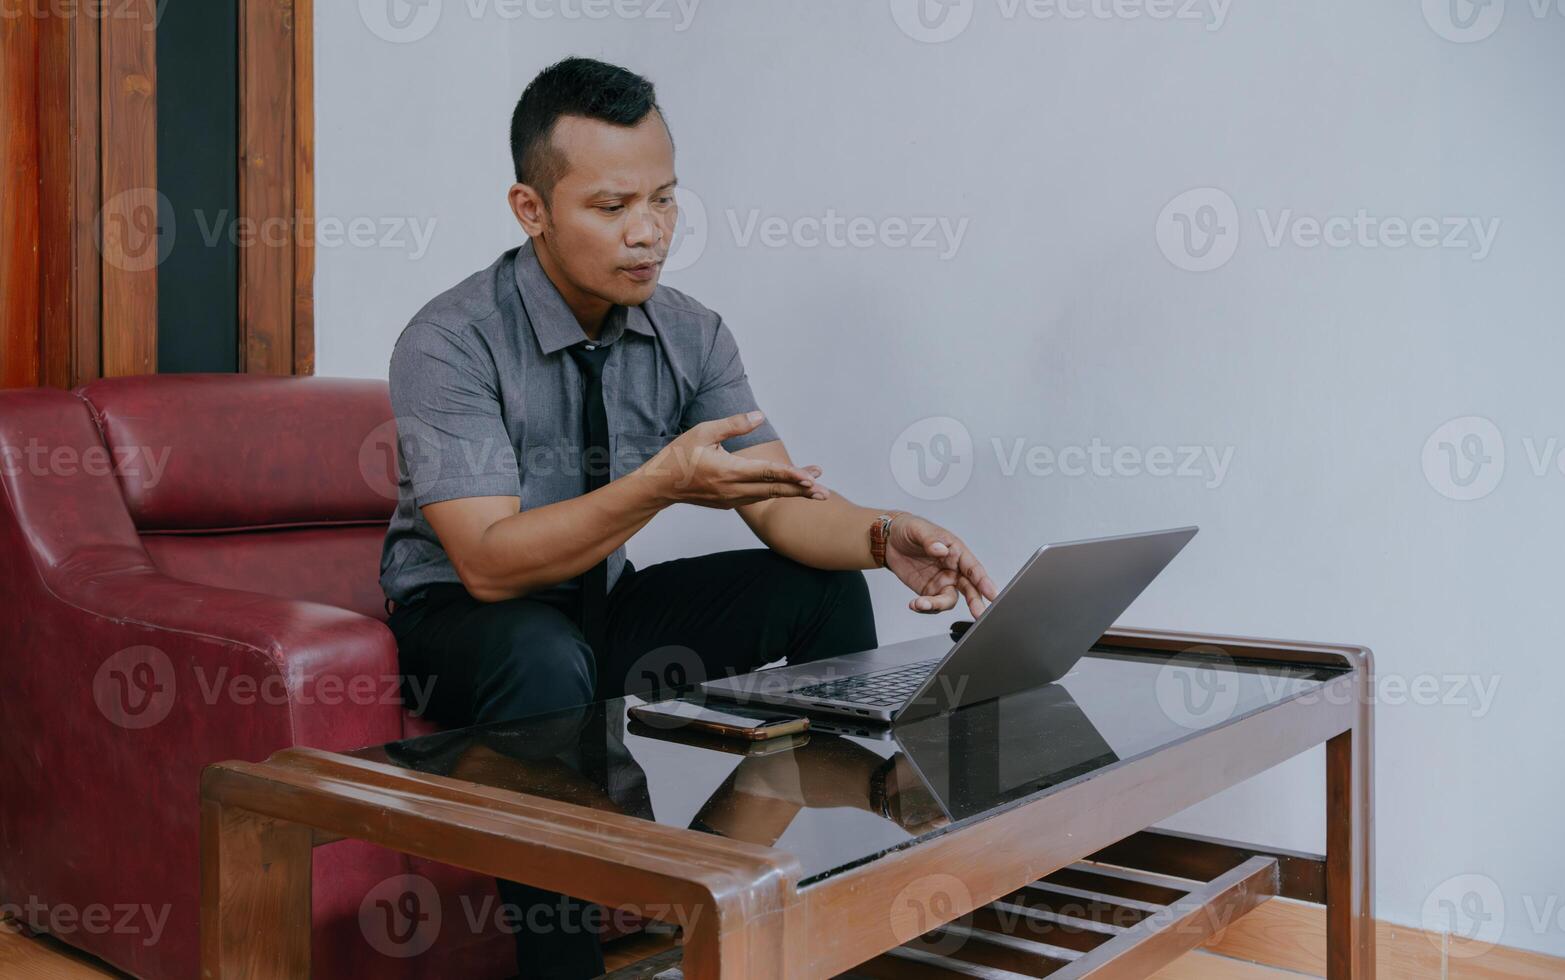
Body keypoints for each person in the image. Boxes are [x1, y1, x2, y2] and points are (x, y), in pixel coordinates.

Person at [380, 55, 998, 980]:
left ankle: (716, 911)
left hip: (599, 604)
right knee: (542, 654)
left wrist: (882, 536)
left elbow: (786, 514)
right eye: (612, 206)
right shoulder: (450, 340)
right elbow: (488, 565)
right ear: (530, 209)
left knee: (817, 589)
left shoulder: (689, 331)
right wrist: (661, 485)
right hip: (465, 624)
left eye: (665, 200)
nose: (648, 234)